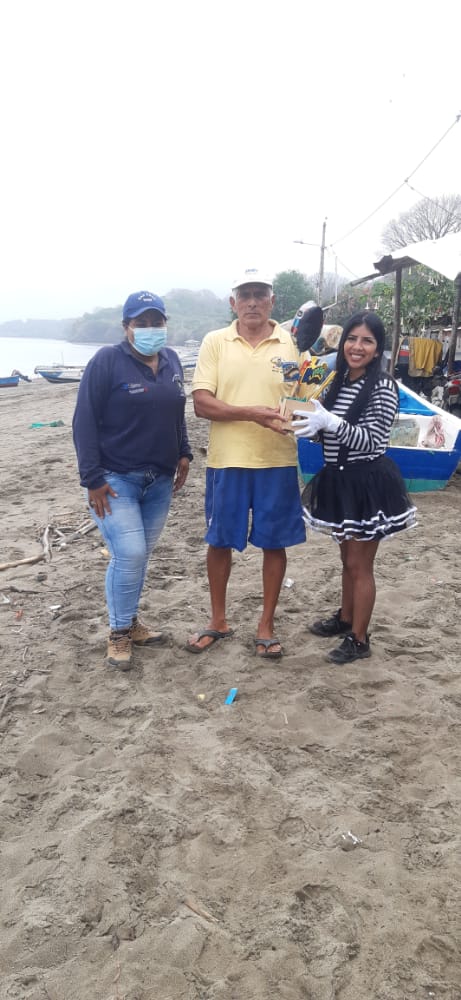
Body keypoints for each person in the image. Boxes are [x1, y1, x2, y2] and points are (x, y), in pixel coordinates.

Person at [186, 268, 306, 659]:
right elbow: (202, 403)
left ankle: (266, 625)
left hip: (277, 460)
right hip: (227, 461)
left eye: (260, 294)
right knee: (219, 540)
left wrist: (305, 409)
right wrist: (253, 413)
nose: (252, 302)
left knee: (274, 542)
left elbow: (308, 394)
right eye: (245, 295)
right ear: (233, 302)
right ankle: (218, 620)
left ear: (272, 300)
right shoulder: (215, 342)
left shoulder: (292, 343)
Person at [72, 290, 193, 670]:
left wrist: (184, 452)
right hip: (114, 479)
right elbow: (84, 420)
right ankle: (118, 633)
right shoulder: (107, 361)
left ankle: (131, 621)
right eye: (142, 323)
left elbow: (177, 410)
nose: (150, 328)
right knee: (130, 553)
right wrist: (92, 478)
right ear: (127, 327)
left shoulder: (172, 359)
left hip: (159, 480)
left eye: (157, 322)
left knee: (140, 555)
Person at [292, 311, 417, 665]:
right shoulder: (339, 380)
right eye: (352, 338)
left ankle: (360, 639)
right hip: (339, 479)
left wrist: (329, 421)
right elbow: (330, 433)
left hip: (367, 483)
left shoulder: (382, 386)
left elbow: (372, 440)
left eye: (367, 341)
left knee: (361, 564)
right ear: (342, 341)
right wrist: (310, 427)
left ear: (378, 349)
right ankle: (346, 618)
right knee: (346, 559)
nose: (357, 347)